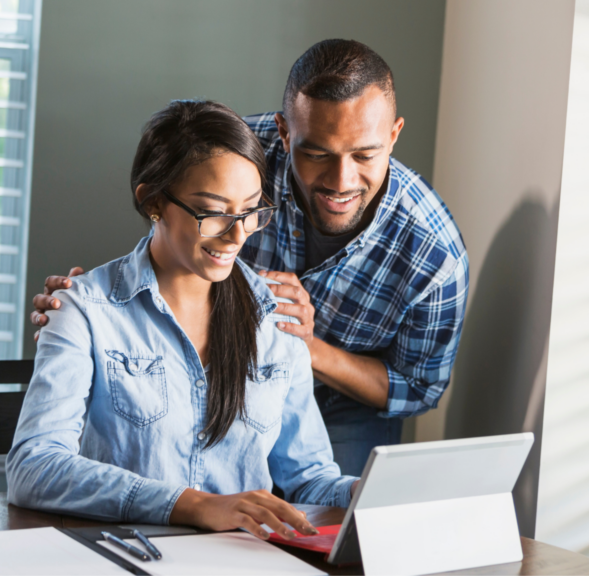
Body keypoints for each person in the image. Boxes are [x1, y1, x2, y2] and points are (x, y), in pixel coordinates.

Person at [31, 40, 470, 476]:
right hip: (213, 373)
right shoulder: (233, 151)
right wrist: (94, 305)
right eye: (316, 153)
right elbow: (172, 228)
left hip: (345, 406)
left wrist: (305, 348)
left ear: (393, 135)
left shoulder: (434, 254)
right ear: (284, 132)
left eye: (365, 155)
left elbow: (415, 388)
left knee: (342, 528)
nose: (341, 180)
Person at [7, 100, 355, 538]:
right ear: (152, 201)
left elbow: (309, 480)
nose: (237, 235)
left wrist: (370, 492)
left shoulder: (274, 318)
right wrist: (192, 506)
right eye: (213, 214)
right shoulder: (83, 312)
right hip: (125, 556)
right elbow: (33, 468)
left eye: (250, 211)